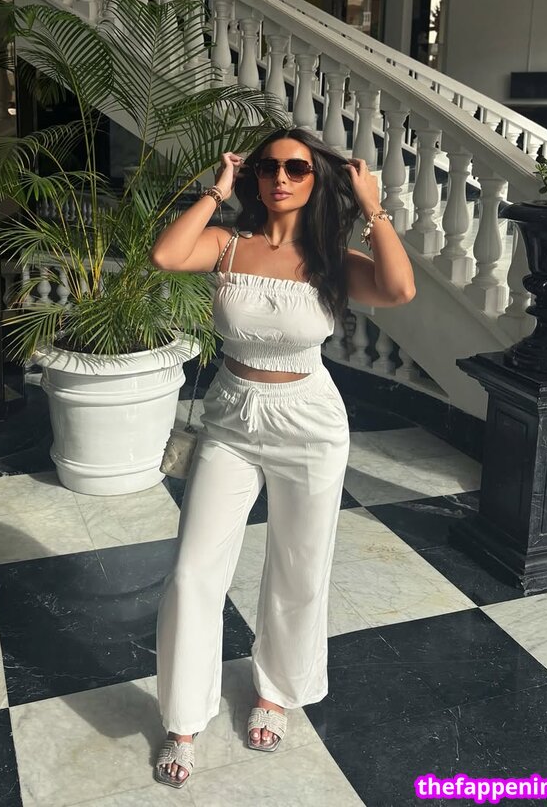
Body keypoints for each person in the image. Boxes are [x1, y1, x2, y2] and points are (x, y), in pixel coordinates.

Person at [149, 128, 416, 789]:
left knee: (299, 565)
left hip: (309, 421)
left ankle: (275, 692)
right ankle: (183, 718)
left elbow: (398, 289)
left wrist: (372, 206)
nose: (280, 177)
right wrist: (215, 193)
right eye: (269, 167)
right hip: (232, 417)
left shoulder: (331, 260)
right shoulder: (226, 243)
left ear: (316, 179)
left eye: (296, 167)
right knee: (191, 572)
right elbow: (166, 253)